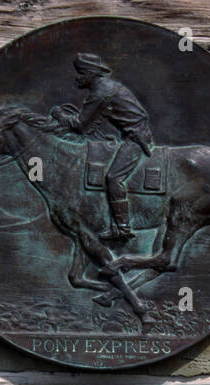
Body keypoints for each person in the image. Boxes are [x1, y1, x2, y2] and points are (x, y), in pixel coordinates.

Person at [55, 53, 154, 243]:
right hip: (130, 133)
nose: (77, 78)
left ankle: (123, 228)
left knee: (113, 178)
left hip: (136, 138)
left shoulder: (100, 93)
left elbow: (80, 125)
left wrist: (58, 114)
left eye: (81, 73)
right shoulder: (109, 88)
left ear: (91, 74)